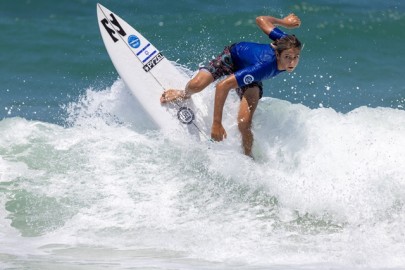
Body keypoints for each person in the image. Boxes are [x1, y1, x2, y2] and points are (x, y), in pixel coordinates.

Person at [160, 13, 302, 157]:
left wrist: (284, 23)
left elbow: (262, 20)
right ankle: (184, 94)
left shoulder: (286, 42)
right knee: (195, 85)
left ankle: (248, 158)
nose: (292, 63)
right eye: (287, 57)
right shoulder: (264, 67)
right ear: (277, 54)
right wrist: (217, 123)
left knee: (244, 123)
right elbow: (222, 86)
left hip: (250, 74)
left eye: (296, 57)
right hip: (232, 58)